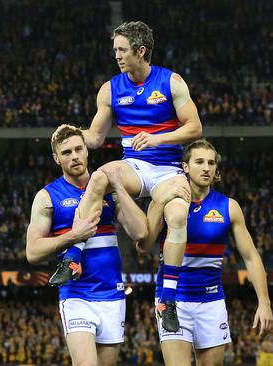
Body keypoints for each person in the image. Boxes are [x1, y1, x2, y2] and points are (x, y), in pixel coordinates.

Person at [53, 21, 202, 332]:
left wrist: (157, 138)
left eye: (121, 50)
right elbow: (94, 137)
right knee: (100, 177)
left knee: (177, 217)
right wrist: (67, 133)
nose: (116, 55)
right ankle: (73, 257)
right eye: (115, 50)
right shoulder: (110, 89)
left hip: (169, 169)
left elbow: (195, 128)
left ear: (141, 51)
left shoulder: (171, 82)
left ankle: (168, 300)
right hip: (134, 165)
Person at [137, 139, 273, 365]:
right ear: (186, 167)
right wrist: (159, 203)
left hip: (212, 301)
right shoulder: (167, 202)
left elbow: (251, 257)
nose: (207, 167)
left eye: (211, 163)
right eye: (199, 162)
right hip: (173, 300)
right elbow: (143, 247)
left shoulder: (228, 207)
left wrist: (264, 302)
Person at [26, 126, 147, 366]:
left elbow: (140, 232)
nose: (74, 156)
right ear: (56, 158)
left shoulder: (109, 190)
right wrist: (73, 235)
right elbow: (32, 252)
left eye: (79, 149)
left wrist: (119, 187)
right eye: (67, 152)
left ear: (86, 151)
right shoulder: (47, 197)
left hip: (113, 293)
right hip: (76, 295)